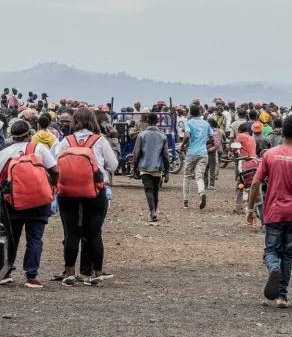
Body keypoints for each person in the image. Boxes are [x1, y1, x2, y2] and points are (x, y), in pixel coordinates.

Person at [246, 115, 292, 309]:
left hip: (273, 212)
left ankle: (273, 268)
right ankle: (282, 296)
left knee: (271, 251)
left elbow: (256, 182)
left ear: (281, 132)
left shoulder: (269, 154)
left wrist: (250, 208)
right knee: (289, 255)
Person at [50, 107, 118, 286]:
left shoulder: (65, 141)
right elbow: (113, 165)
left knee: (71, 232)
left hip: (68, 192)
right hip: (95, 191)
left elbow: (53, 164)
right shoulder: (100, 141)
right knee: (94, 232)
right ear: (93, 121)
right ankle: (95, 274)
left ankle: (70, 273)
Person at [0, 120, 58, 288]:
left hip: (13, 202)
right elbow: (55, 170)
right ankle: (31, 276)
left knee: (12, 238)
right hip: (39, 200)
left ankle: (6, 272)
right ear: (29, 134)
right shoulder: (39, 149)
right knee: (35, 239)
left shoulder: (5, 152)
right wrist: (52, 187)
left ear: (12, 136)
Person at [130, 112, 170, 224]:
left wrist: (135, 167)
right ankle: (154, 211)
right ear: (157, 122)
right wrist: (167, 172)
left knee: (148, 189)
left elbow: (136, 153)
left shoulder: (141, 135)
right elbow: (166, 155)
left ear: (147, 121)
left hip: (145, 167)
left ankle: (152, 211)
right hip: (157, 168)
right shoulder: (163, 136)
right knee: (155, 190)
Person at [180, 104, 211, 210]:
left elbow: (187, 135)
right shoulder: (206, 123)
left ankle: (185, 201)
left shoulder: (189, 123)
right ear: (200, 112)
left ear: (190, 113)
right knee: (199, 176)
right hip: (203, 153)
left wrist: (182, 145)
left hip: (192, 152)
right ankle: (201, 192)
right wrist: (203, 143)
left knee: (187, 176)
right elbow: (211, 138)